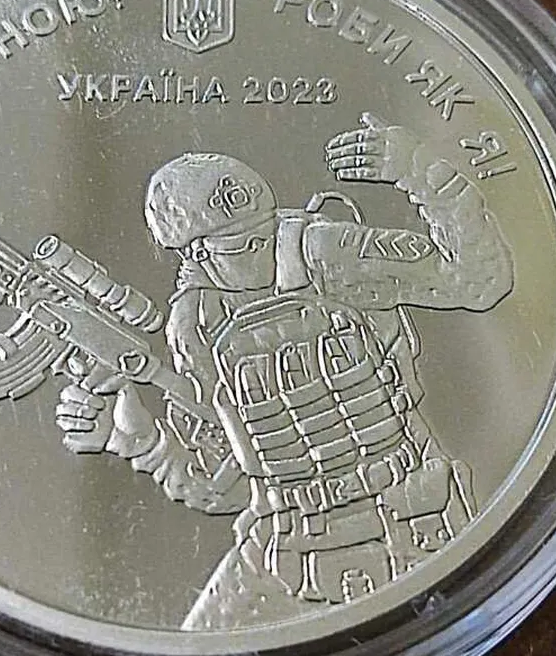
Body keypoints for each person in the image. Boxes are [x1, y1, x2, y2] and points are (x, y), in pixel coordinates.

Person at [56, 114, 514, 630]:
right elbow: (220, 488)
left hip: (412, 514)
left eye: (260, 236)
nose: (257, 250)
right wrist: (133, 441)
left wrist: (423, 175)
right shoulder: (197, 324)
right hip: (287, 541)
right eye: (233, 245)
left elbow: (476, 283)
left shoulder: (328, 253)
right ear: (196, 252)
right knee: (194, 654)